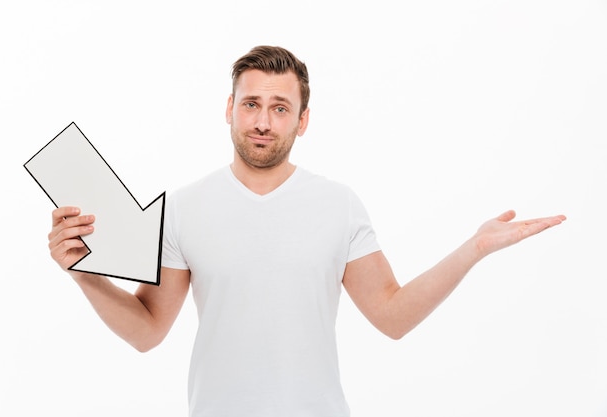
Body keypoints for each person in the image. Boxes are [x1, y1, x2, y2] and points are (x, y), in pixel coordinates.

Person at [47, 45, 566, 416]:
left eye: (280, 108)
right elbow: (147, 330)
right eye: (251, 104)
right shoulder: (184, 207)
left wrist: (472, 249)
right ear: (230, 109)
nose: (263, 122)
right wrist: (84, 274)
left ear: (303, 120)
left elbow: (392, 316)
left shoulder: (337, 205)